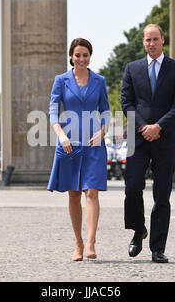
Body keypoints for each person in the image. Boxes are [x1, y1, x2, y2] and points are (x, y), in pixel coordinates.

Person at [120, 24, 175, 263]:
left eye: (155, 39)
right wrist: (143, 127)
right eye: (147, 40)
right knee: (131, 188)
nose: (151, 43)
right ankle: (138, 231)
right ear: (143, 42)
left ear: (163, 40)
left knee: (162, 194)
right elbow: (127, 103)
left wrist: (158, 126)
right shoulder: (132, 68)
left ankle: (157, 248)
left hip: (166, 137)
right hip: (136, 137)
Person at [47, 38, 110, 261]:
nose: (81, 59)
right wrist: (61, 135)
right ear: (71, 57)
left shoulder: (99, 80)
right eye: (77, 55)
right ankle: (78, 243)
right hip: (69, 142)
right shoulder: (60, 81)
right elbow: (53, 112)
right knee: (74, 193)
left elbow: (105, 111)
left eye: (85, 55)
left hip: (93, 143)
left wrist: (103, 132)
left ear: (90, 57)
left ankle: (91, 242)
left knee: (92, 192)